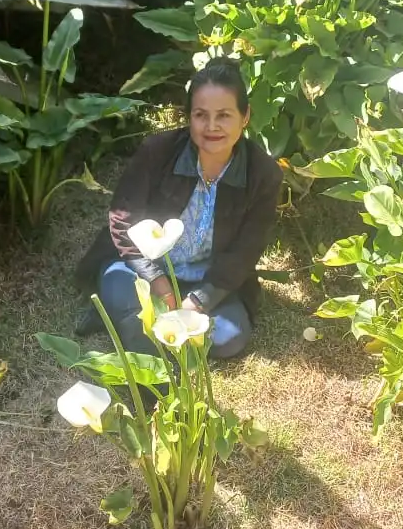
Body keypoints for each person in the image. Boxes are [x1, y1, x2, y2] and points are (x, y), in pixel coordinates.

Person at [76, 58, 283, 358]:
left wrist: (198, 302)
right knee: (117, 284)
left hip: (208, 278)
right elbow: (123, 220)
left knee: (228, 337)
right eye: (201, 115)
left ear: (245, 116)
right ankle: (141, 323)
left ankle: (134, 323)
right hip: (142, 270)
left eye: (224, 115)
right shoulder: (157, 152)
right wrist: (158, 282)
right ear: (189, 117)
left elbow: (245, 251)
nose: (212, 126)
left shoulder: (263, 174)